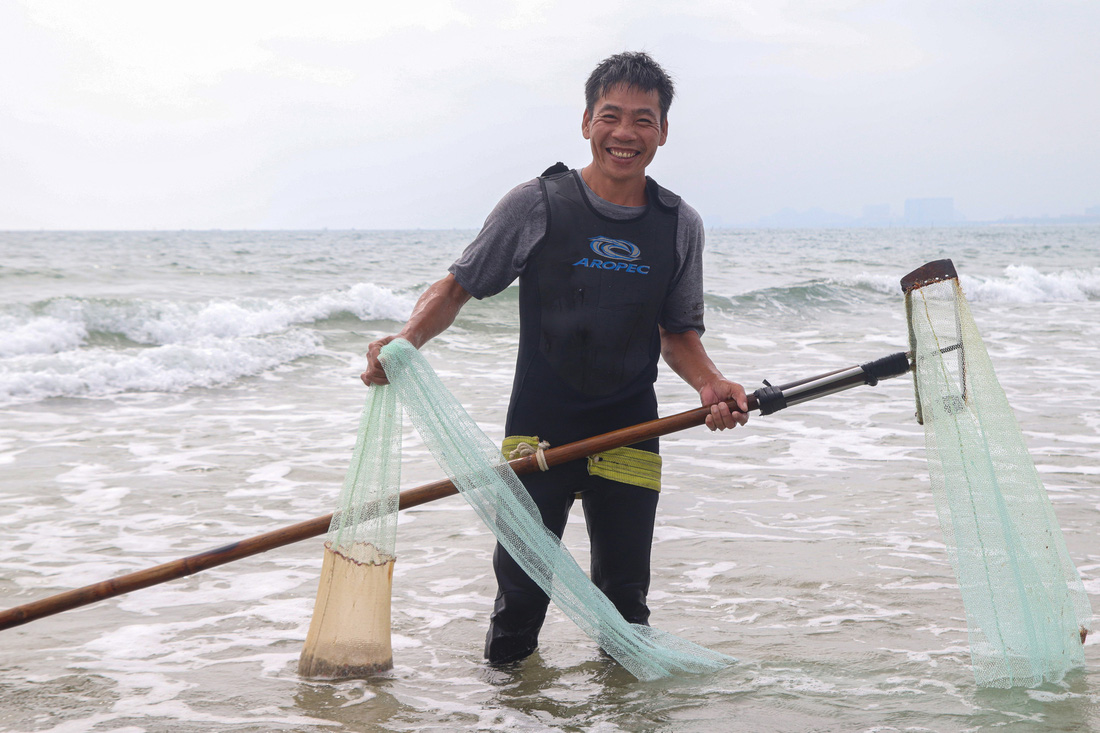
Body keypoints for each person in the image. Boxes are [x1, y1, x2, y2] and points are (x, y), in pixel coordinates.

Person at [361, 51, 749, 665]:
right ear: (587, 121)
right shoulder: (536, 203)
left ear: (663, 132)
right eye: (611, 116)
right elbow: (458, 286)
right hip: (539, 438)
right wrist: (407, 339)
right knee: (518, 603)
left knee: (626, 607)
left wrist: (710, 383)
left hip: (631, 431)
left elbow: (678, 335)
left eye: (643, 121)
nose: (625, 133)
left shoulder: (679, 224)